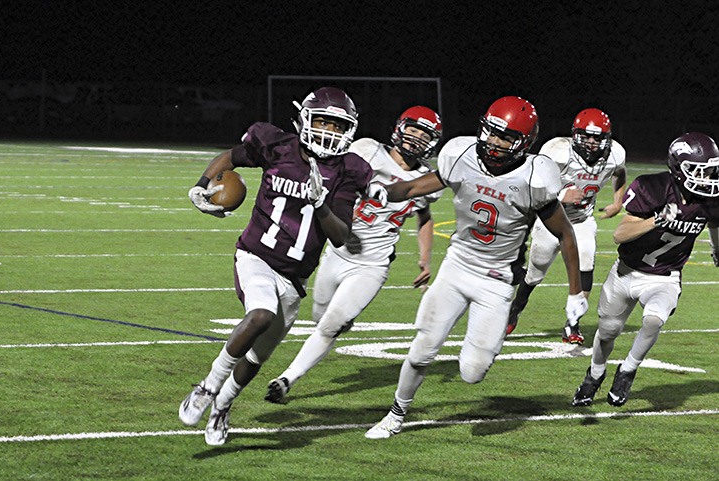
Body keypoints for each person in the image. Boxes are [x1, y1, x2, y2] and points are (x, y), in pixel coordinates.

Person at [364, 96, 588, 439]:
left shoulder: (536, 176)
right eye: (492, 133)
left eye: (506, 137)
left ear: (525, 142)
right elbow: (413, 187)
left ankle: (480, 350)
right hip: (457, 267)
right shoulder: (462, 155)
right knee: (422, 348)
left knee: (472, 372)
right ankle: (395, 413)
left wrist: (575, 292)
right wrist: (382, 191)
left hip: (496, 280)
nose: (495, 142)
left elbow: (565, 234)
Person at [177, 87, 373, 446]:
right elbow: (230, 157)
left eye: (336, 125)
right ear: (305, 121)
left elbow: (342, 235)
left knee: (255, 357)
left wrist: (322, 204)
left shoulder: (348, 171)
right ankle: (207, 387)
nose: (328, 132)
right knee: (261, 314)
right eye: (323, 122)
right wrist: (201, 186)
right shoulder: (278, 146)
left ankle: (222, 406)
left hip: (294, 278)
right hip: (255, 256)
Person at [264, 106, 444, 403]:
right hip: (337, 252)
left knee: (330, 325)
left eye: (424, 133)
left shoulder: (427, 181)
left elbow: (424, 216)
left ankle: (287, 379)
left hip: (372, 264)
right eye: (412, 129)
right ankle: (341, 319)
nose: (415, 137)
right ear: (399, 128)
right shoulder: (367, 151)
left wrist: (424, 259)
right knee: (320, 316)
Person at [572, 131, 719, 408]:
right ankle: (595, 373)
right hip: (627, 272)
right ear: (678, 168)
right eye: (700, 171)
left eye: (711, 170)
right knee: (607, 332)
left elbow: (715, 224)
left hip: (665, 276)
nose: (707, 178)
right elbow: (620, 234)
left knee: (654, 319)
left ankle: (627, 370)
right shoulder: (652, 187)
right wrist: (659, 219)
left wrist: (716, 249)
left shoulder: (711, 199)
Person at [507, 108, 627, 344]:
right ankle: (515, 310)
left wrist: (617, 202)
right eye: (587, 136)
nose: (592, 142)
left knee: (586, 261)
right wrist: (561, 194)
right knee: (535, 273)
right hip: (551, 218)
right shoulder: (558, 152)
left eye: (598, 138)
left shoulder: (615, 155)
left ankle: (573, 323)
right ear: (575, 135)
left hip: (582, 220)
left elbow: (620, 174)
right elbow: (532, 185)